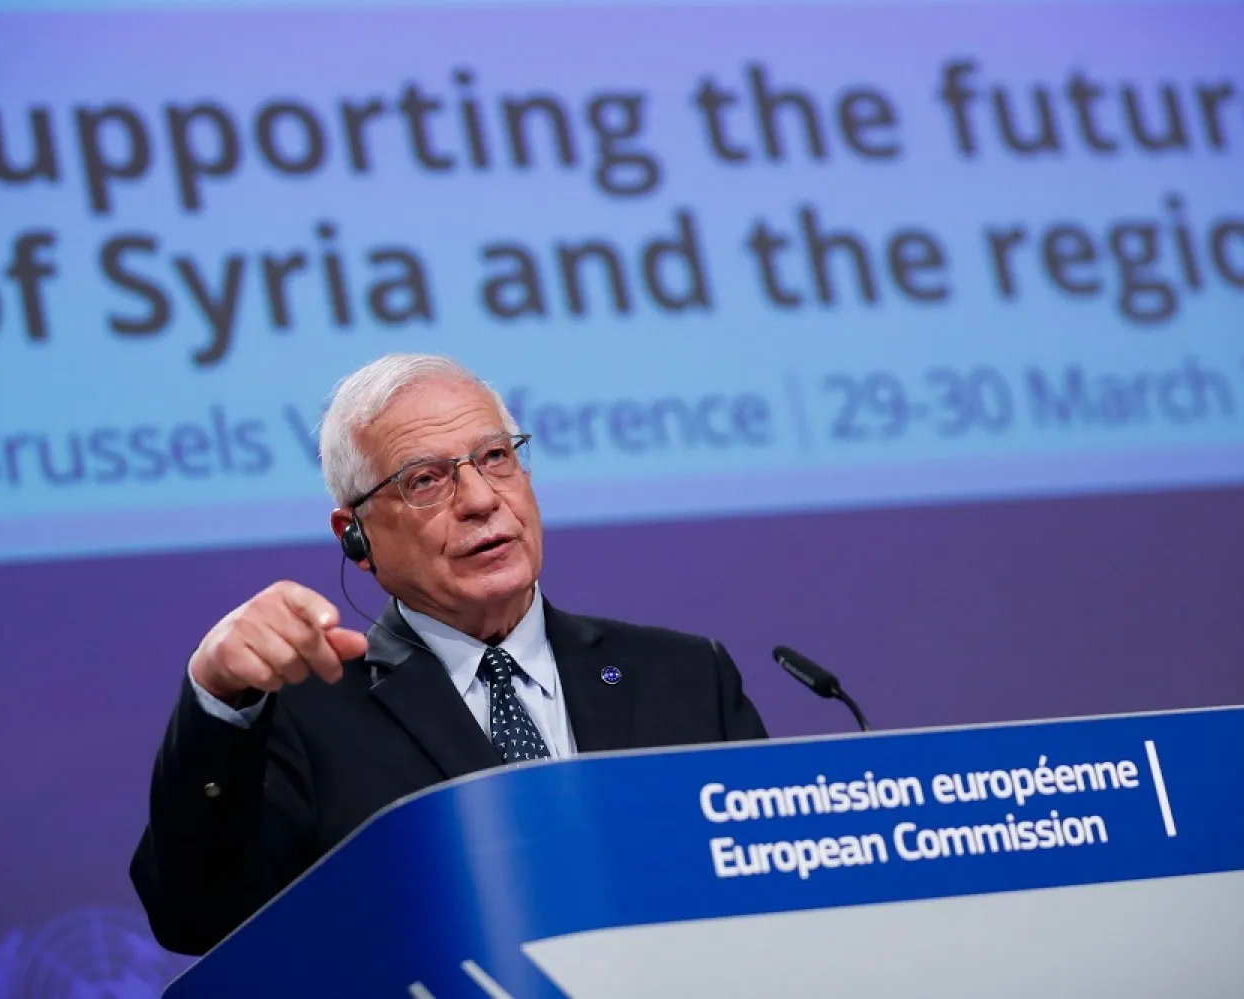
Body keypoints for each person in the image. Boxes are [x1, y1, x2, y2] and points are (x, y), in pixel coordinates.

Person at [129, 353, 767, 955]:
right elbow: (196, 918)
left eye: (495, 458)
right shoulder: (302, 715)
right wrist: (217, 697)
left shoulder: (685, 676)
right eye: (425, 480)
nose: (482, 500)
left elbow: (774, 888)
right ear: (357, 535)